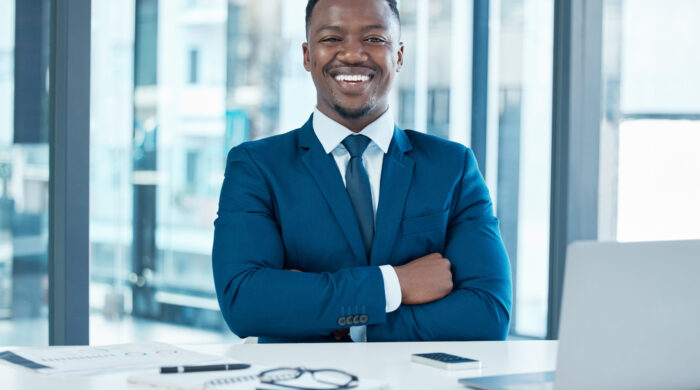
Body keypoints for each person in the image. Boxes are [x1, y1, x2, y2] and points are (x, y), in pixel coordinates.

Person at [212, 0, 511, 343]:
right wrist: (397, 284)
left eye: (374, 39)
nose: (352, 55)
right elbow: (245, 301)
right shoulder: (256, 167)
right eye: (331, 39)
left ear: (398, 56)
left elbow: (488, 313)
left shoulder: (452, 167)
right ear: (308, 56)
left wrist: (337, 318)